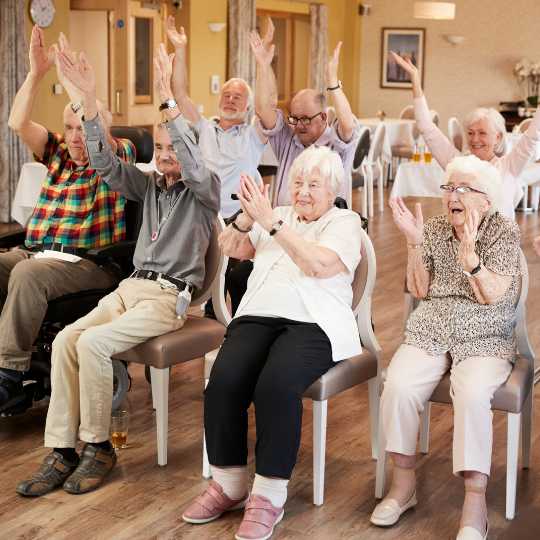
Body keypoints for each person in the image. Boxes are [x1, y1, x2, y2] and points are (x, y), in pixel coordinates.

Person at [16, 44, 219, 496]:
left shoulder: (205, 192)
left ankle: (98, 446)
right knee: (68, 339)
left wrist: (168, 98)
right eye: (160, 148)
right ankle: (63, 452)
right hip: (131, 287)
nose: (166, 156)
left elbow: (191, 158)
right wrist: (89, 100)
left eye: (173, 149)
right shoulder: (147, 186)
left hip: (169, 297)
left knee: (92, 343)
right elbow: (105, 164)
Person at [182, 146, 363, 540]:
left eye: (314, 184)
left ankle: (268, 495)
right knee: (224, 381)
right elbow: (232, 249)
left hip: (315, 322)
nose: (303, 192)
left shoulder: (346, 222)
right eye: (298, 182)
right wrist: (248, 219)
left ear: (333, 189)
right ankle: (229, 484)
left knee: (276, 386)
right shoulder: (274, 214)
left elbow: (317, 265)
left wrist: (274, 225)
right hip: (258, 315)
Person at [371, 155, 521, 540]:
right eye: (448, 187)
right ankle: (403, 485)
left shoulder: (502, 232)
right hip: (433, 326)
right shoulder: (435, 227)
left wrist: (471, 260)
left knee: (472, 393)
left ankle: (474, 502)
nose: (452, 195)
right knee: (399, 386)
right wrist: (413, 242)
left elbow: (492, 295)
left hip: (485, 332)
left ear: (485, 200)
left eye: (463, 189)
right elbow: (420, 289)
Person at [0, 26, 135, 414]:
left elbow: (98, 138)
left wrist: (80, 87)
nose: (76, 137)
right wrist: (36, 73)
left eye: (84, 128)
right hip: (36, 254)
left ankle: (10, 375)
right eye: (71, 128)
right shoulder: (56, 152)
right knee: (16, 268)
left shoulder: (116, 157)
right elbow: (16, 123)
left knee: (27, 277)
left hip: (89, 263)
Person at [392, 51, 540, 219]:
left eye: (482, 133)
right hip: (462, 241)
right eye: (470, 133)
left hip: (500, 243)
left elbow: (533, 135)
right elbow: (426, 127)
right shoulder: (457, 163)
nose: (475, 139)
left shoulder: (509, 166)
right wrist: (415, 79)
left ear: (498, 137)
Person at [166, 15, 270, 219]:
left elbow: (265, 106)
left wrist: (262, 64)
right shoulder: (203, 127)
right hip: (200, 213)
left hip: (237, 218)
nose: (230, 100)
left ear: (248, 106)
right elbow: (179, 94)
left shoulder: (253, 135)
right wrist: (180, 49)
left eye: (237, 97)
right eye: (226, 95)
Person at [250, 28, 359, 207]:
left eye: (306, 119)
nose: (299, 125)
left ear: (323, 117)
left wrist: (332, 82)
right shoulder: (288, 139)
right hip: (283, 226)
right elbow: (262, 108)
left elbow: (347, 125)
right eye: (294, 118)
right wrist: (262, 65)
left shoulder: (337, 144)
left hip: (324, 229)